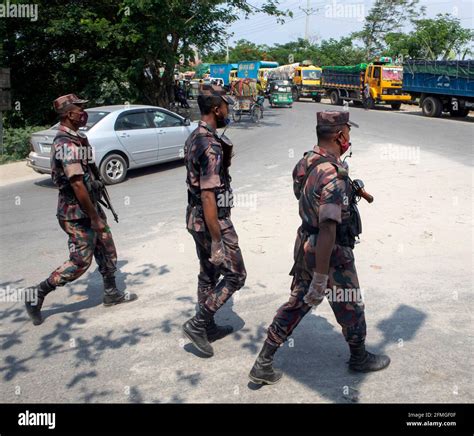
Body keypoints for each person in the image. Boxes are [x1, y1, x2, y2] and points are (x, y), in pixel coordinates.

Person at [248, 111, 390, 385]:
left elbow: (302, 198)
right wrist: (322, 277)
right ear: (339, 136)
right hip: (330, 252)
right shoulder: (333, 175)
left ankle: (263, 361)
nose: (350, 137)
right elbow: (328, 226)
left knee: (297, 303)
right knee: (350, 304)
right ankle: (359, 357)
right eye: (348, 132)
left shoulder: (307, 162)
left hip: (306, 245)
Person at [24, 94, 137, 326]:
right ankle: (37, 293)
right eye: (80, 109)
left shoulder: (78, 138)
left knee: (107, 247)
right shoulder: (65, 144)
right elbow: (76, 183)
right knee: (80, 262)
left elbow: (88, 175)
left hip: (90, 206)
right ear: (68, 114)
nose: (84, 112)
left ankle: (111, 292)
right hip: (75, 213)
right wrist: (94, 217)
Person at [182, 84, 247, 357]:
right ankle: (198, 324)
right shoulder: (210, 145)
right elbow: (209, 196)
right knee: (235, 275)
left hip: (195, 218)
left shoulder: (195, 136)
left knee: (208, 273)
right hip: (212, 221)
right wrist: (218, 240)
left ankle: (206, 326)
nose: (228, 110)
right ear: (215, 109)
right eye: (226, 106)